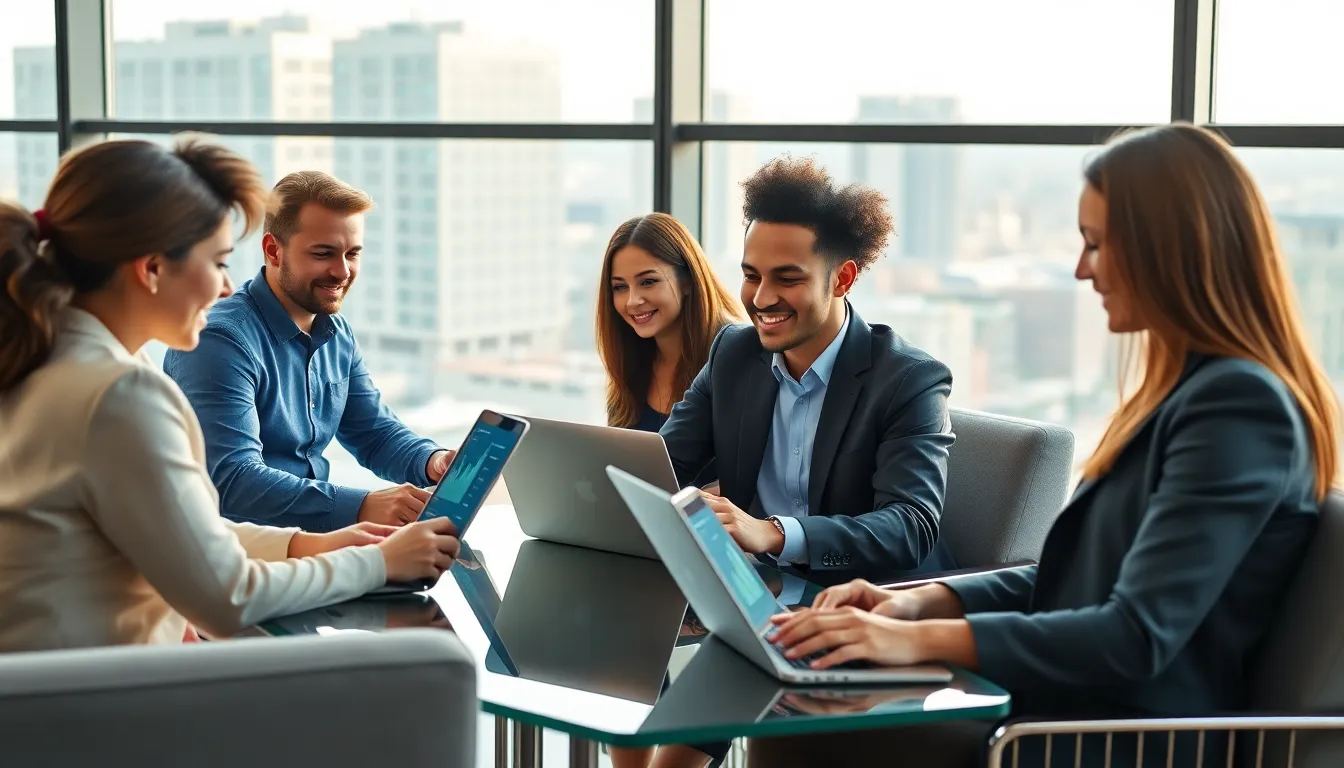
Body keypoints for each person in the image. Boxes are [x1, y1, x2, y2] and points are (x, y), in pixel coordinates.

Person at [757, 123, 1341, 768]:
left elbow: (1134, 635)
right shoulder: (1190, 395)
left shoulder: (1238, 409)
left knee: (810, 727)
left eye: (1096, 244)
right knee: (807, 705)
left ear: (1168, 250)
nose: (1081, 268)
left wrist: (914, 640)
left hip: (1116, 740)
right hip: (1067, 716)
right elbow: (1079, 579)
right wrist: (911, 603)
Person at [0, 137, 461, 651]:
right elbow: (228, 598)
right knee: (416, 672)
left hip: (49, 687)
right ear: (151, 268)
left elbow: (182, 533)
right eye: (218, 261)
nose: (225, 286)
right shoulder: (121, 394)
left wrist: (309, 545)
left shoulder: (49, 357)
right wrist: (376, 562)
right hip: (90, 702)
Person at [659, 155, 958, 585]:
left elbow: (910, 527)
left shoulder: (909, 380)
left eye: (787, 279)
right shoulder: (733, 355)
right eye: (751, 275)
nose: (761, 299)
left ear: (842, 279)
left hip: (871, 601)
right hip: (758, 588)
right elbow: (662, 466)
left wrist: (774, 534)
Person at [164, 171, 453, 533]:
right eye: (323, 254)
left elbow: (373, 432)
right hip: (239, 553)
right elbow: (232, 482)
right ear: (273, 250)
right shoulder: (220, 341)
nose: (342, 271)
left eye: (352, 254)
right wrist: (364, 506)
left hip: (312, 545)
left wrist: (433, 461)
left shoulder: (335, 331)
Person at [597, 211, 744, 476]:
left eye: (648, 282)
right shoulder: (630, 365)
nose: (632, 300)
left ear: (687, 280)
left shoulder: (736, 355)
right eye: (620, 287)